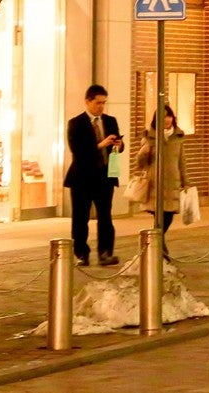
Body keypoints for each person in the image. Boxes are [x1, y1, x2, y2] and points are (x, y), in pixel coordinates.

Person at [65, 84, 124, 267]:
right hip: (82, 178)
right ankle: (82, 253)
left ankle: (105, 253)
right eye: (98, 103)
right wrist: (100, 144)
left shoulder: (110, 121)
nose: (101, 107)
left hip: (105, 176)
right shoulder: (76, 123)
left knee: (105, 217)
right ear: (88, 101)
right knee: (80, 217)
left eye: (104, 103)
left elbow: (118, 148)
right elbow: (78, 151)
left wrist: (118, 145)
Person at [135, 104, 187, 257]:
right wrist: (144, 152)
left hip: (172, 183)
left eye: (169, 116)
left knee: (168, 217)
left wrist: (186, 181)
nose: (167, 119)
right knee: (159, 217)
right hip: (154, 184)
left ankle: (154, 245)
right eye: (163, 116)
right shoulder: (149, 136)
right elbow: (140, 163)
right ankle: (160, 250)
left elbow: (181, 161)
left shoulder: (177, 137)